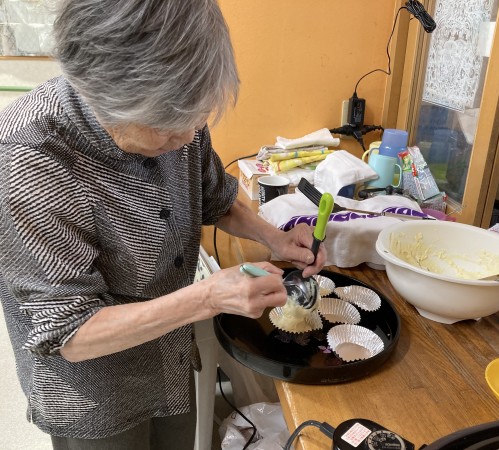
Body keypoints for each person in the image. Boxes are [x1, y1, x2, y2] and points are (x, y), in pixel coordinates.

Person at [0, 0, 326, 449]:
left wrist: (277, 239)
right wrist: (207, 297)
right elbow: (70, 333)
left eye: (195, 120)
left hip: (167, 352)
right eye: (168, 127)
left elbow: (213, 196)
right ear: (107, 97)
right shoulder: (29, 158)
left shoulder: (177, 117)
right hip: (95, 392)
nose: (188, 137)